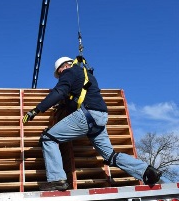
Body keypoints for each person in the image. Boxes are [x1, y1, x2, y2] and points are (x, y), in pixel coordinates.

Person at [23, 56, 162, 191]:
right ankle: (147, 171)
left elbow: (60, 91)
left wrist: (37, 109)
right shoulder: (87, 75)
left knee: (48, 138)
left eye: (59, 73)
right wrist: (65, 104)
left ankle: (56, 179)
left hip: (87, 115)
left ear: (64, 66)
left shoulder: (69, 71)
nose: (60, 76)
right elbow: (77, 95)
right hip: (100, 117)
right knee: (110, 155)